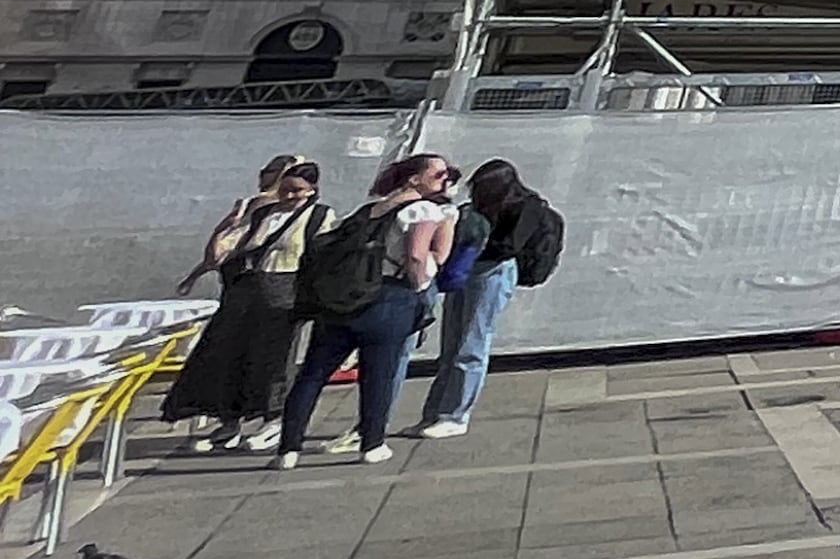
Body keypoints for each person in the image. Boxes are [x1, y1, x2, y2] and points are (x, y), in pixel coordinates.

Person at [275, 152, 460, 469]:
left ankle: (288, 449)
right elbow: (417, 257)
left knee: (313, 374)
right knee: (379, 375)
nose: (448, 180)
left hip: (343, 298)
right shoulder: (424, 210)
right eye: (440, 174)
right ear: (415, 179)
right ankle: (371, 444)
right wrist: (418, 286)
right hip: (389, 296)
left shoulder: (372, 209)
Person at [167, 157, 321, 453]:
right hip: (247, 287)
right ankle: (229, 421)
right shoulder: (261, 211)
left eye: (297, 190)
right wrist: (226, 227)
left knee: (275, 359)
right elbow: (220, 254)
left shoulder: (318, 217)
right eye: (285, 188)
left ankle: (273, 420)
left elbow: (319, 255)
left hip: (285, 289)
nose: (289, 196)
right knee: (229, 353)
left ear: (312, 190)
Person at [417, 158, 564, 438]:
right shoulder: (481, 205)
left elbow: (509, 246)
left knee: (471, 344)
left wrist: (475, 245)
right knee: (451, 345)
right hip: (467, 271)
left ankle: (455, 415)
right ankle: (433, 413)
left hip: (494, 273)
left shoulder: (527, 207)